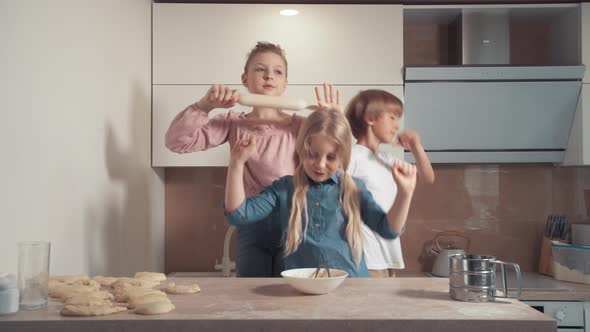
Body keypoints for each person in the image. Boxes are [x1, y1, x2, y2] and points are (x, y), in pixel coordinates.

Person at [165, 41, 335, 277]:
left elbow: (335, 163)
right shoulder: (233, 122)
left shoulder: (301, 126)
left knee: (292, 295)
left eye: (278, 72)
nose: (269, 76)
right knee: (251, 293)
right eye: (260, 69)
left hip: (295, 222)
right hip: (251, 224)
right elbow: (176, 142)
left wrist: (332, 122)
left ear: (285, 84)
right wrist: (204, 106)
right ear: (245, 79)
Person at [224, 109, 418, 277]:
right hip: (299, 292)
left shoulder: (353, 188)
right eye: (312, 154)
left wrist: (405, 193)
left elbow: (389, 230)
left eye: (331, 157)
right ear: (301, 150)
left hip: (350, 289)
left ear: (343, 156)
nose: (320, 164)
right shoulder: (284, 189)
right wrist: (236, 164)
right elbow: (238, 215)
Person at [345, 89, 435, 278]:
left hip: (388, 257)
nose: (397, 126)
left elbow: (428, 178)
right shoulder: (351, 157)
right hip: (365, 258)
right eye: (392, 118)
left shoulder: (387, 159)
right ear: (370, 118)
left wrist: (416, 147)